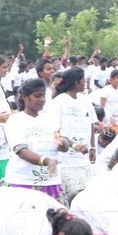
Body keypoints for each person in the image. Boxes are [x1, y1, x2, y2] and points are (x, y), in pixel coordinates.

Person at [4, 78, 69, 204]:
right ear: (25, 97)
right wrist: (47, 161)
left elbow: (64, 147)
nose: (42, 99)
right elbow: (21, 151)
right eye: (37, 96)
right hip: (23, 181)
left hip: (51, 181)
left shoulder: (50, 119)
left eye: (44, 95)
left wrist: (62, 141)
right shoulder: (15, 120)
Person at [48, 68, 96, 196]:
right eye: (83, 80)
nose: (85, 83)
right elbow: (56, 130)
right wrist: (74, 145)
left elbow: (91, 124)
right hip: (66, 160)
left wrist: (93, 148)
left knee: (86, 194)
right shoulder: (59, 101)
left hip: (84, 159)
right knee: (70, 195)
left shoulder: (85, 100)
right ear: (76, 83)